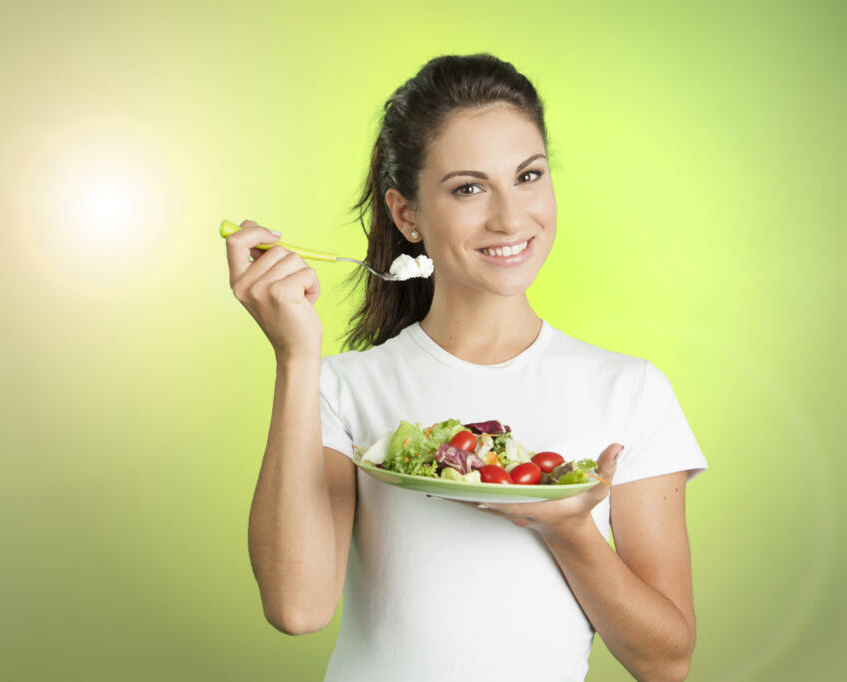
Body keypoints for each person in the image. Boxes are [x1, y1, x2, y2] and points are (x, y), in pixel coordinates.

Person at [226, 53, 707, 682]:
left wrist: (569, 531)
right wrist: (296, 357)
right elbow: (297, 607)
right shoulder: (342, 388)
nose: (510, 218)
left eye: (528, 176)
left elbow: (667, 662)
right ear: (408, 216)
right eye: (469, 188)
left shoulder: (630, 390)